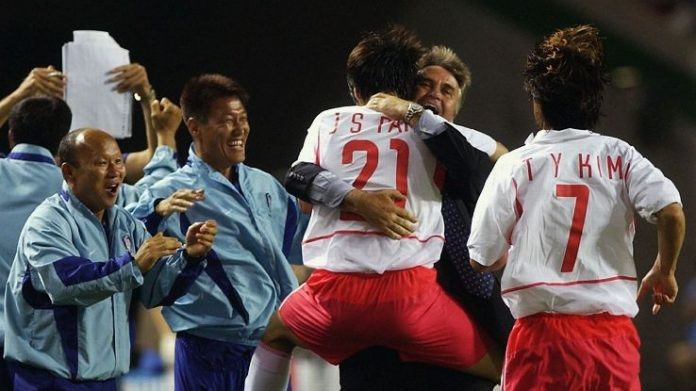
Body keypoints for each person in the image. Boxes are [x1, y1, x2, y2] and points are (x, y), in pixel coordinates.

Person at [244, 26, 501, 391]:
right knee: (503, 363)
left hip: (335, 294)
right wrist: (359, 198)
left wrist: (351, 197)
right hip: (411, 295)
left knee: (273, 334)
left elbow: (298, 177)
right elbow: (494, 163)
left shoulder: (329, 120)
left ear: (353, 89)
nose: (435, 96)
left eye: (448, 90)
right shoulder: (434, 130)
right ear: (410, 83)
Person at [467, 25, 686, 390]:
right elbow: (671, 211)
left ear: (537, 102)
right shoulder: (619, 155)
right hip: (611, 340)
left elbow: (481, 258)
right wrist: (665, 269)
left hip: (542, 339)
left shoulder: (517, 164)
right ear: (593, 102)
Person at [3, 128, 218, 389]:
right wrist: (133, 264)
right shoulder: (47, 222)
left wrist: (189, 258)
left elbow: (153, 292)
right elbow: (66, 284)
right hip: (48, 381)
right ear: (69, 173)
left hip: (106, 380)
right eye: (101, 163)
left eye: (117, 161)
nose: (115, 171)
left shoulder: (126, 224)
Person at [129, 73, 299, 390]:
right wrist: (163, 220)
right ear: (194, 127)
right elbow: (129, 228)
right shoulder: (173, 191)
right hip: (206, 351)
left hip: (269, 346)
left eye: (243, 119)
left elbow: (297, 249)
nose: (240, 129)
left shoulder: (266, 185)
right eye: (226, 121)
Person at [0, 95, 71, 389]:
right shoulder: (77, 190)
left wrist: (20, 92)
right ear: (63, 140)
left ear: (11, 134)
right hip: (47, 352)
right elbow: (150, 163)